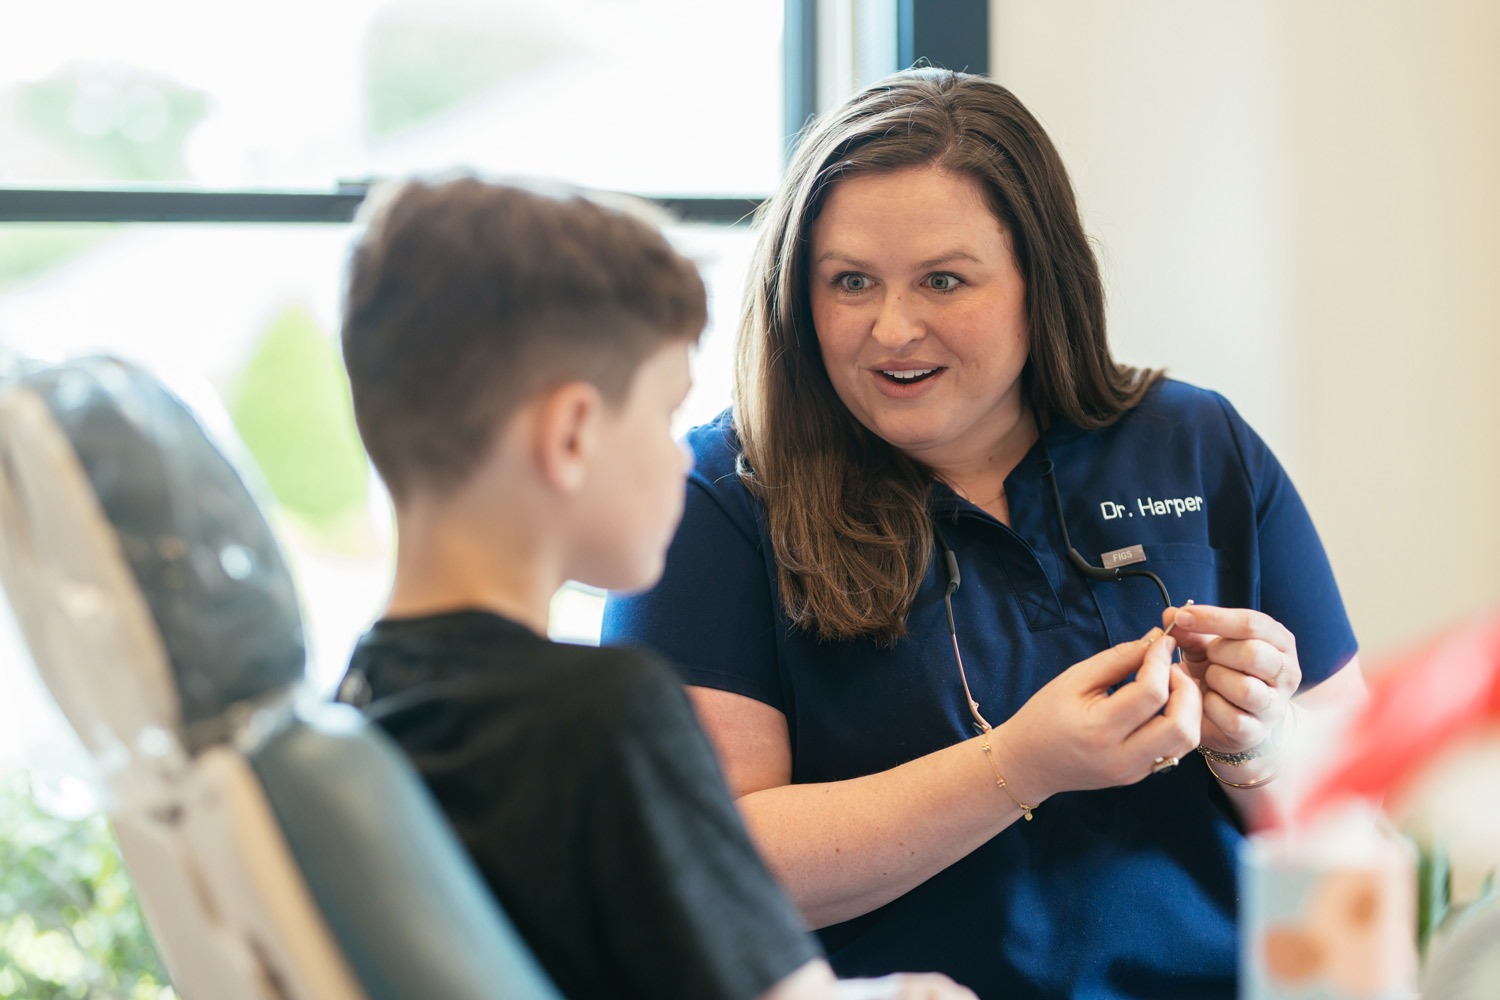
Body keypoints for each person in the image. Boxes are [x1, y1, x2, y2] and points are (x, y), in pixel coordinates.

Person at [602, 68, 1367, 999]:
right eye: (850, 282)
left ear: (1038, 283)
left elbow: (1365, 820)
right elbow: (702, 866)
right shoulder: (716, 501)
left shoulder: (1195, 445)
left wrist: (1259, 750)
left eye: (943, 280)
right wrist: (1019, 765)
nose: (892, 328)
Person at [331, 175, 973, 1000]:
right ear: (572, 435)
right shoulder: (602, 716)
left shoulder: (365, 701)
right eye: (666, 417)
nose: (680, 457)